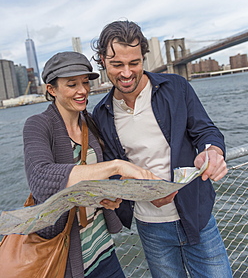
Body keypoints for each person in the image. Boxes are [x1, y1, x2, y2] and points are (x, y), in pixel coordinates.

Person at [92, 21, 233, 278]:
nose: (126, 73)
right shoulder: (100, 113)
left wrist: (212, 151)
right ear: (102, 61)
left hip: (197, 216)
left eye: (134, 63)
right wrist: (140, 193)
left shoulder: (177, 87)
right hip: (150, 227)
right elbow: (113, 169)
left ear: (143, 58)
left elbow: (206, 132)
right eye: (117, 65)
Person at [23, 51, 160, 278]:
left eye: (85, 82)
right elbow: (41, 180)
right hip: (64, 255)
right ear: (51, 89)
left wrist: (109, 194)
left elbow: (97, 177)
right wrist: (116, 167)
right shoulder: (38, 125)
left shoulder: (90, 122)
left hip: (102, 247)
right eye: (72, 84)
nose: (83, 90)